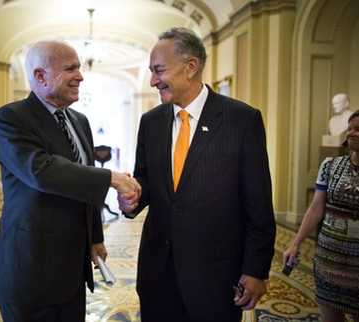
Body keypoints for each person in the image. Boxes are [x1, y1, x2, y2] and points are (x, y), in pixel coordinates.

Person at [118, 28, 276, 322]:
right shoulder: (151, 122)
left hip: (215, 276)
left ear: (191, 67)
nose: (153, 81)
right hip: (157, 274)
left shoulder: (241, 120)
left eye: (159, 70)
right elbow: (147, 182)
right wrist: (132, 199)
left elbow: (258, 203)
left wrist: (256, 270)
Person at [0, 40, 141, 322]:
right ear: (40, 76)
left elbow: (83, 185)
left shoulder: (80, 120)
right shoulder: (11, 118)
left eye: (79, 68)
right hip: (31, 270)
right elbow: (42, 170)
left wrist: (95, 238)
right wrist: (112, 178)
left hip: (72, 271)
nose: (80, 76)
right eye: (70, 69)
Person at [284, 111, 359, 322]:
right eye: (350, 127)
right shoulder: (330, 165)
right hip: (329, 259)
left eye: (358, 128)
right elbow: (316, 207)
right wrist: (295, 243)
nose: (352, 133)